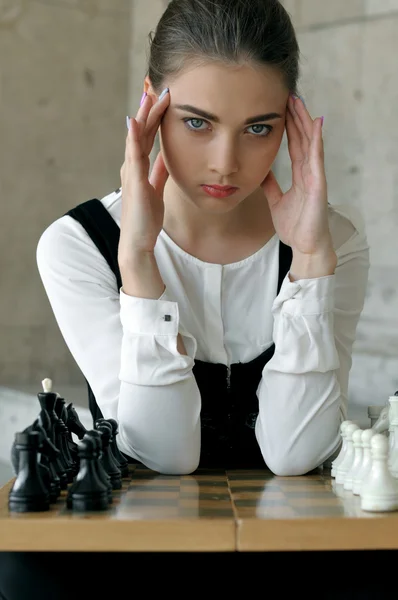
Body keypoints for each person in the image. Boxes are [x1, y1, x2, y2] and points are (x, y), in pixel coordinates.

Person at [36, 0, 369, 477]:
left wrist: (312, 261)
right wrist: (136, 261)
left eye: (258, 128)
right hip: (142, 547)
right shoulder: (80, 246)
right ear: (151, 103)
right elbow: (163, 455)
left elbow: (298, 454)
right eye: (197, 122)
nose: (225, 162)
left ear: (290, 123)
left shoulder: (335, 242)